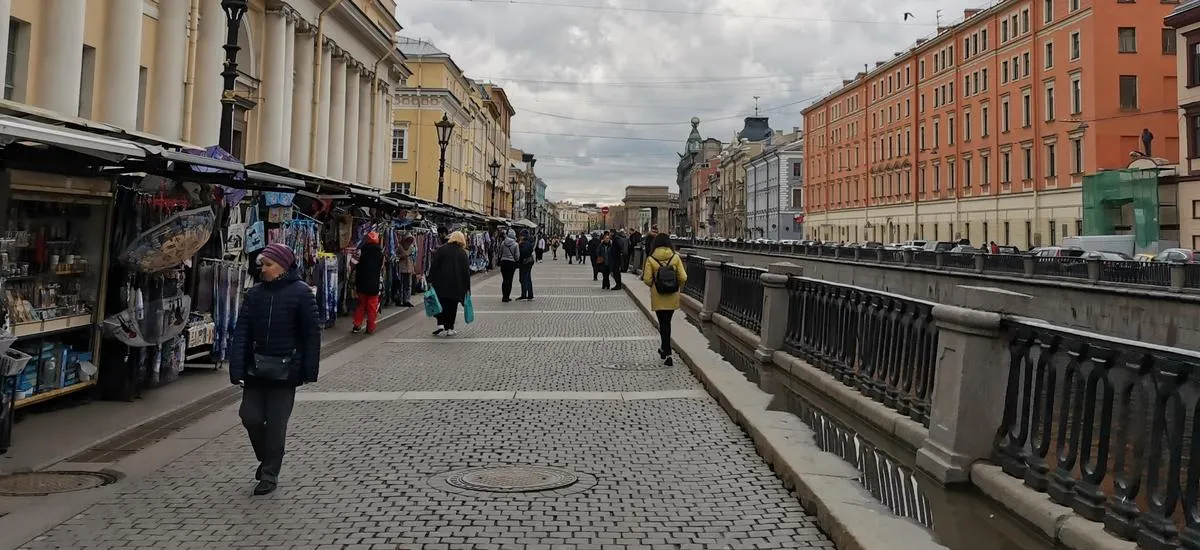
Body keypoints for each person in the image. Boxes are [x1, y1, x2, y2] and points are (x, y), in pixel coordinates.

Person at [229, 243, 320, 496]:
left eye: (269, 265)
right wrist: (237, 367)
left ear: (283, 266)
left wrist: (308, 370)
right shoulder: (255, 294)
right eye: (263, 265)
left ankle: (269, 473)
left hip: (285, 371)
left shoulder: (302, 294)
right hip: (255, 369)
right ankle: (266, 457)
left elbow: (311, 334)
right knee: (250, 417)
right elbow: (242, 332)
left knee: (277, 425)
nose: (264, 269)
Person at [642, 233, 687, 366]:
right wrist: (675, 284)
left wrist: (655, 285)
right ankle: (665, 350)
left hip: (658, 295)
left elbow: (647, 279)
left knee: (663, 323)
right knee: (667, 322)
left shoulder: (651, 259)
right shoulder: (675, 257)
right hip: (672, 295)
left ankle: (666, 352)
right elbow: (683, 277)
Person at [429, 231, 472, 336]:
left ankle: (440, 325)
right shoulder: (463, 253)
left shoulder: (441, 249)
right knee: (452, 307)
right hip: (456, 286)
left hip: (440, 284)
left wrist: (430, 279)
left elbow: (434, 266)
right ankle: (450, 328)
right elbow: (466, 272)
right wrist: (467, 288)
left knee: (440, 304)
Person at [351, 232, 384, 334]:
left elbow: (352, 263)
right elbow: (381, 268)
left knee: (361, 305)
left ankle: (357, 325)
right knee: (372, 307)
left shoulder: (360, 251)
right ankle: (370, 328)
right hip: (374, 284)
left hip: (362, 282)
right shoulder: (381, 253)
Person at [394, 235, 415, 308]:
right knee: (401, 285)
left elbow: (412, 258)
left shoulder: (412, 247)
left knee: (408, 285)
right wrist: (402, 256)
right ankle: (400, 300)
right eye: (407, 240)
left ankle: (407, 300)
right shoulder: (400, 247)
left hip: (409, 267)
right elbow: (395, 256)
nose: (408, 242)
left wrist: (413, 268)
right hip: (402, 267)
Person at [498, 229, 519, 302]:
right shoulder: (516, 244)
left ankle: (504, 296)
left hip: (503, 263)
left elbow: (500, 253)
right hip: (511, 264)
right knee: (510, 280)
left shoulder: (503, 243)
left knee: (504, 280)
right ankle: (507, 296)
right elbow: (517, 256)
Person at [518, 230, 536, 300]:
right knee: (527, 278)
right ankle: (528, 294)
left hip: (525, 263)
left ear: (523, 236)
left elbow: (523, 252)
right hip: (528, 262)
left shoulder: (525, 243)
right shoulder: (529, 242)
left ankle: (524, 295)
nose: (520, 237)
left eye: (521, 235)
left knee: (524, 279)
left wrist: (519, 246)